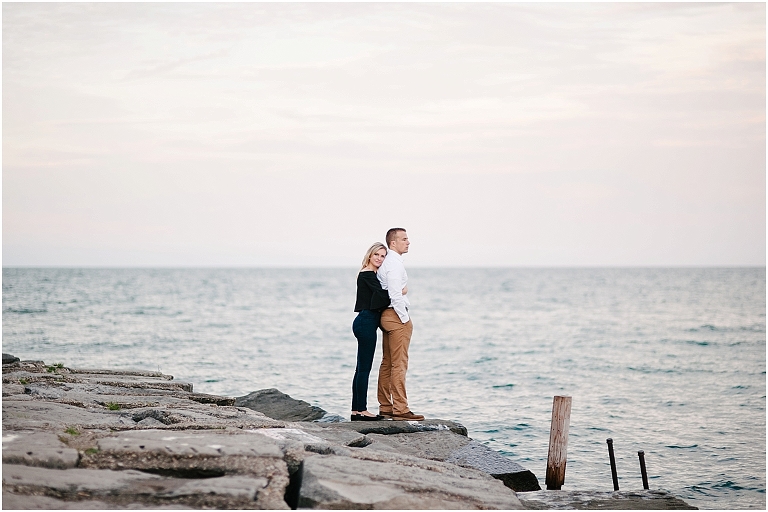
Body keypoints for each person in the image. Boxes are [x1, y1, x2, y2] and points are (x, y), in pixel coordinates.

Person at [377, 228, 424, 421]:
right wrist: (405, 319)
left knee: (388, 363)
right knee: (399, 364)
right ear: (393, 243)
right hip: (396, 316)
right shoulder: (394, 264)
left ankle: (386, 407)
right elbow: (395, 294)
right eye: (404, 239)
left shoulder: (387, 262)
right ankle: (401, 409)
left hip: (386, 315)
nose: (408, 242)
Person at [351, 242, 391, 421]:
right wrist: (400, 291)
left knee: (361, 368)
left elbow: (377, 296)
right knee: (364, 369)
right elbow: (382, 296)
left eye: (383, 256)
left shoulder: (369, 274)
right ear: (370, 254)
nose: (379, 259)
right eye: (377, 254)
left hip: (365, 322)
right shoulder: (367, 274)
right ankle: (362, 410)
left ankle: (356, 411)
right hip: (366, 322)